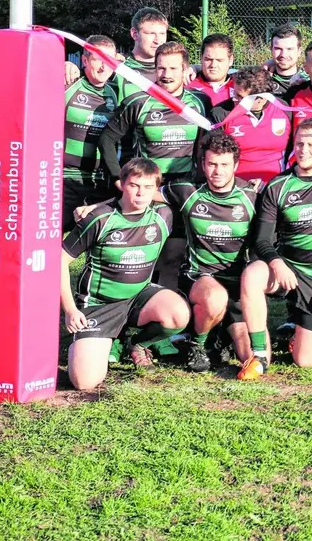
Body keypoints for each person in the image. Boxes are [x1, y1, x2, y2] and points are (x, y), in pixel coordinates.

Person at [60, 158, 188, 390]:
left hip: (139, 296)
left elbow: (191, 196)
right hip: (100, 305)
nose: (141, 193)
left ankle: (134, 343)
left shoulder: (164, 215)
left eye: (148, 187)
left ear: (156, 189)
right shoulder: (99, 219)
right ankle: (88, 341)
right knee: (84, 382)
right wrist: (70, 310)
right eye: (134, 186)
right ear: (122, 184)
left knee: (178, 314)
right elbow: (59, 261)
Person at [243, 118, 312, 378]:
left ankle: (310, 331)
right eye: (299, 143)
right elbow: (261, 240)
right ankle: (259, 354)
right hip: (284, 269)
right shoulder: (277, 186)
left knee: (305, 362)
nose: (304, 150)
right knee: (252, 274)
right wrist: (277, 263)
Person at [97, 40, 215, 288]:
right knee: (143, 256)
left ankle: (170, 317)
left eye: (173, 69)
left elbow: (206, 145)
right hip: (148, 191)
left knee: (174, 256)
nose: (167, 74)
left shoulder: (200, 103)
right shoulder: (138, 102)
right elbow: (107, 138)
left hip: (183, 191)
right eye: (161, 68)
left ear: (185, 70)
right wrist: (119, 178)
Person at [161, 133, 259, 374]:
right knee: (215, 299)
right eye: (212, 163)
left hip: (238, 282)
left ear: (235, 165)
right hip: (200, 276)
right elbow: (137, 194)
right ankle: (197, 344)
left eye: (224, 164)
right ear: (203, 164)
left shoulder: (253, 195)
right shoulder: (187, 191)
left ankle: (220, 335)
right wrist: (95, 208)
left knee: (252, 359)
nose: (218, 170)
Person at [64, 35, 120, 234]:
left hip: (100, 180)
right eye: (98, 59)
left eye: (109, 60)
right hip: (66, 177)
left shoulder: (116, 91)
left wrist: (196, 68)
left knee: (97, 237)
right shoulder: (67, 85)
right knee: (53, 237)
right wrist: (61, 64)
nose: (104, 67)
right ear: (85, 60)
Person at [217, 65, 294, 186]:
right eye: (235, 93)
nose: (234, 99)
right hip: (236, 190)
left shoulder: (284, 109)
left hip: (275, 188)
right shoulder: (222, 113)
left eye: (240, 97)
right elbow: (215, 156)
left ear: (261, 99)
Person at [186, 33, 237, 110]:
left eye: (219, 60)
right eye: (208, 59)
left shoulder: (242, 85)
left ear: (230, 60)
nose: (213, 65)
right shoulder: (186, 83)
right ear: (201, 58)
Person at [266, 25, 307, 100]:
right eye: (278, 49)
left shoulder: (308, 82)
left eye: (289, 49)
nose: (283, 55)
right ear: (271, 49)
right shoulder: (260, 80)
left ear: (299, 52)